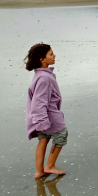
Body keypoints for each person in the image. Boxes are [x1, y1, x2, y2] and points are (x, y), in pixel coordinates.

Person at [25, 43, 68, 179]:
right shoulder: (44, 78)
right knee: (61, 135)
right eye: (51, 54)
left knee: (43, 139)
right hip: (48, 116)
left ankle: (39, 171)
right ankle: (49, 166)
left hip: (42, 116)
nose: (54, 55)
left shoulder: (41, 75)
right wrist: (42, 122)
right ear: (42, 59)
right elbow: (39, 102)